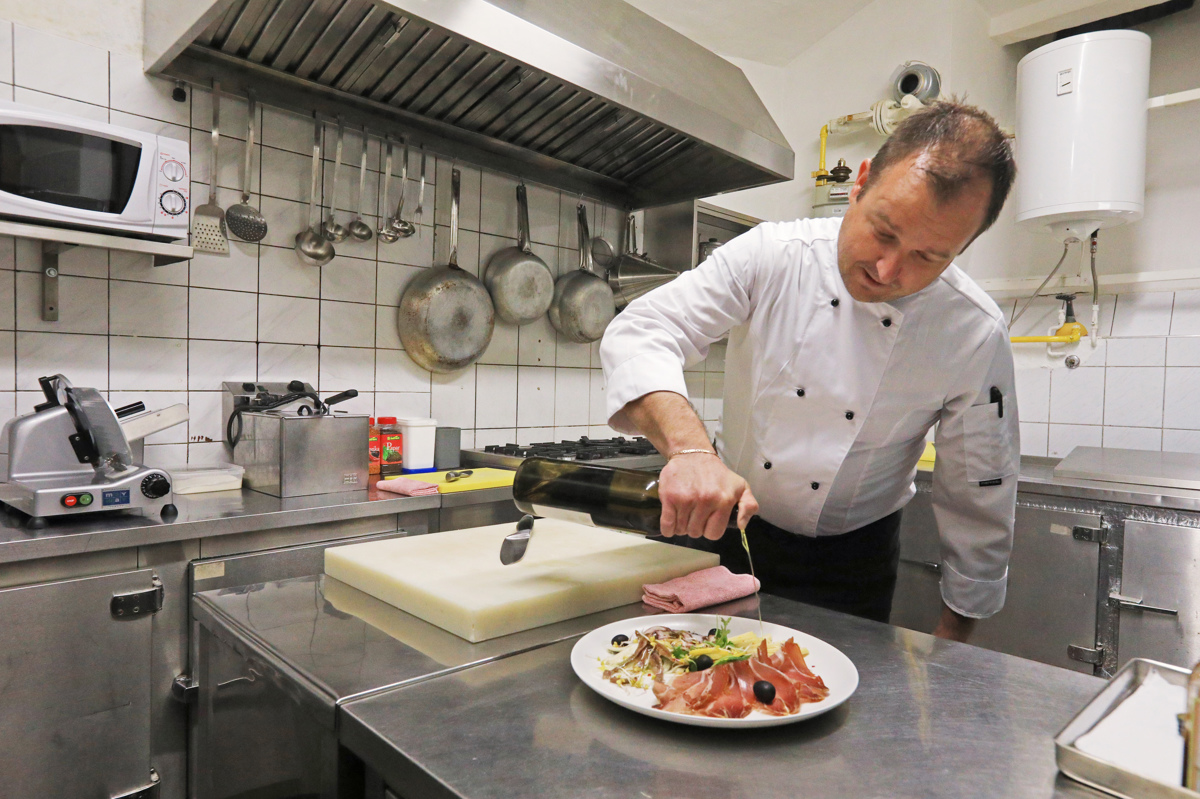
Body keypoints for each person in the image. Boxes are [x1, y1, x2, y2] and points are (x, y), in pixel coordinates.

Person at [600, 101, 1020, 642]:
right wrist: (691, 452)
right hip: (728, 535)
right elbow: (644, 329)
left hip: (856, 563)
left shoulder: (973, 330)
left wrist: (957, 633)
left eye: (929, 257)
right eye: (884, 232)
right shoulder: (775, 255)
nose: (888, 270)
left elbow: (978, 489)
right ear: (860, 183)